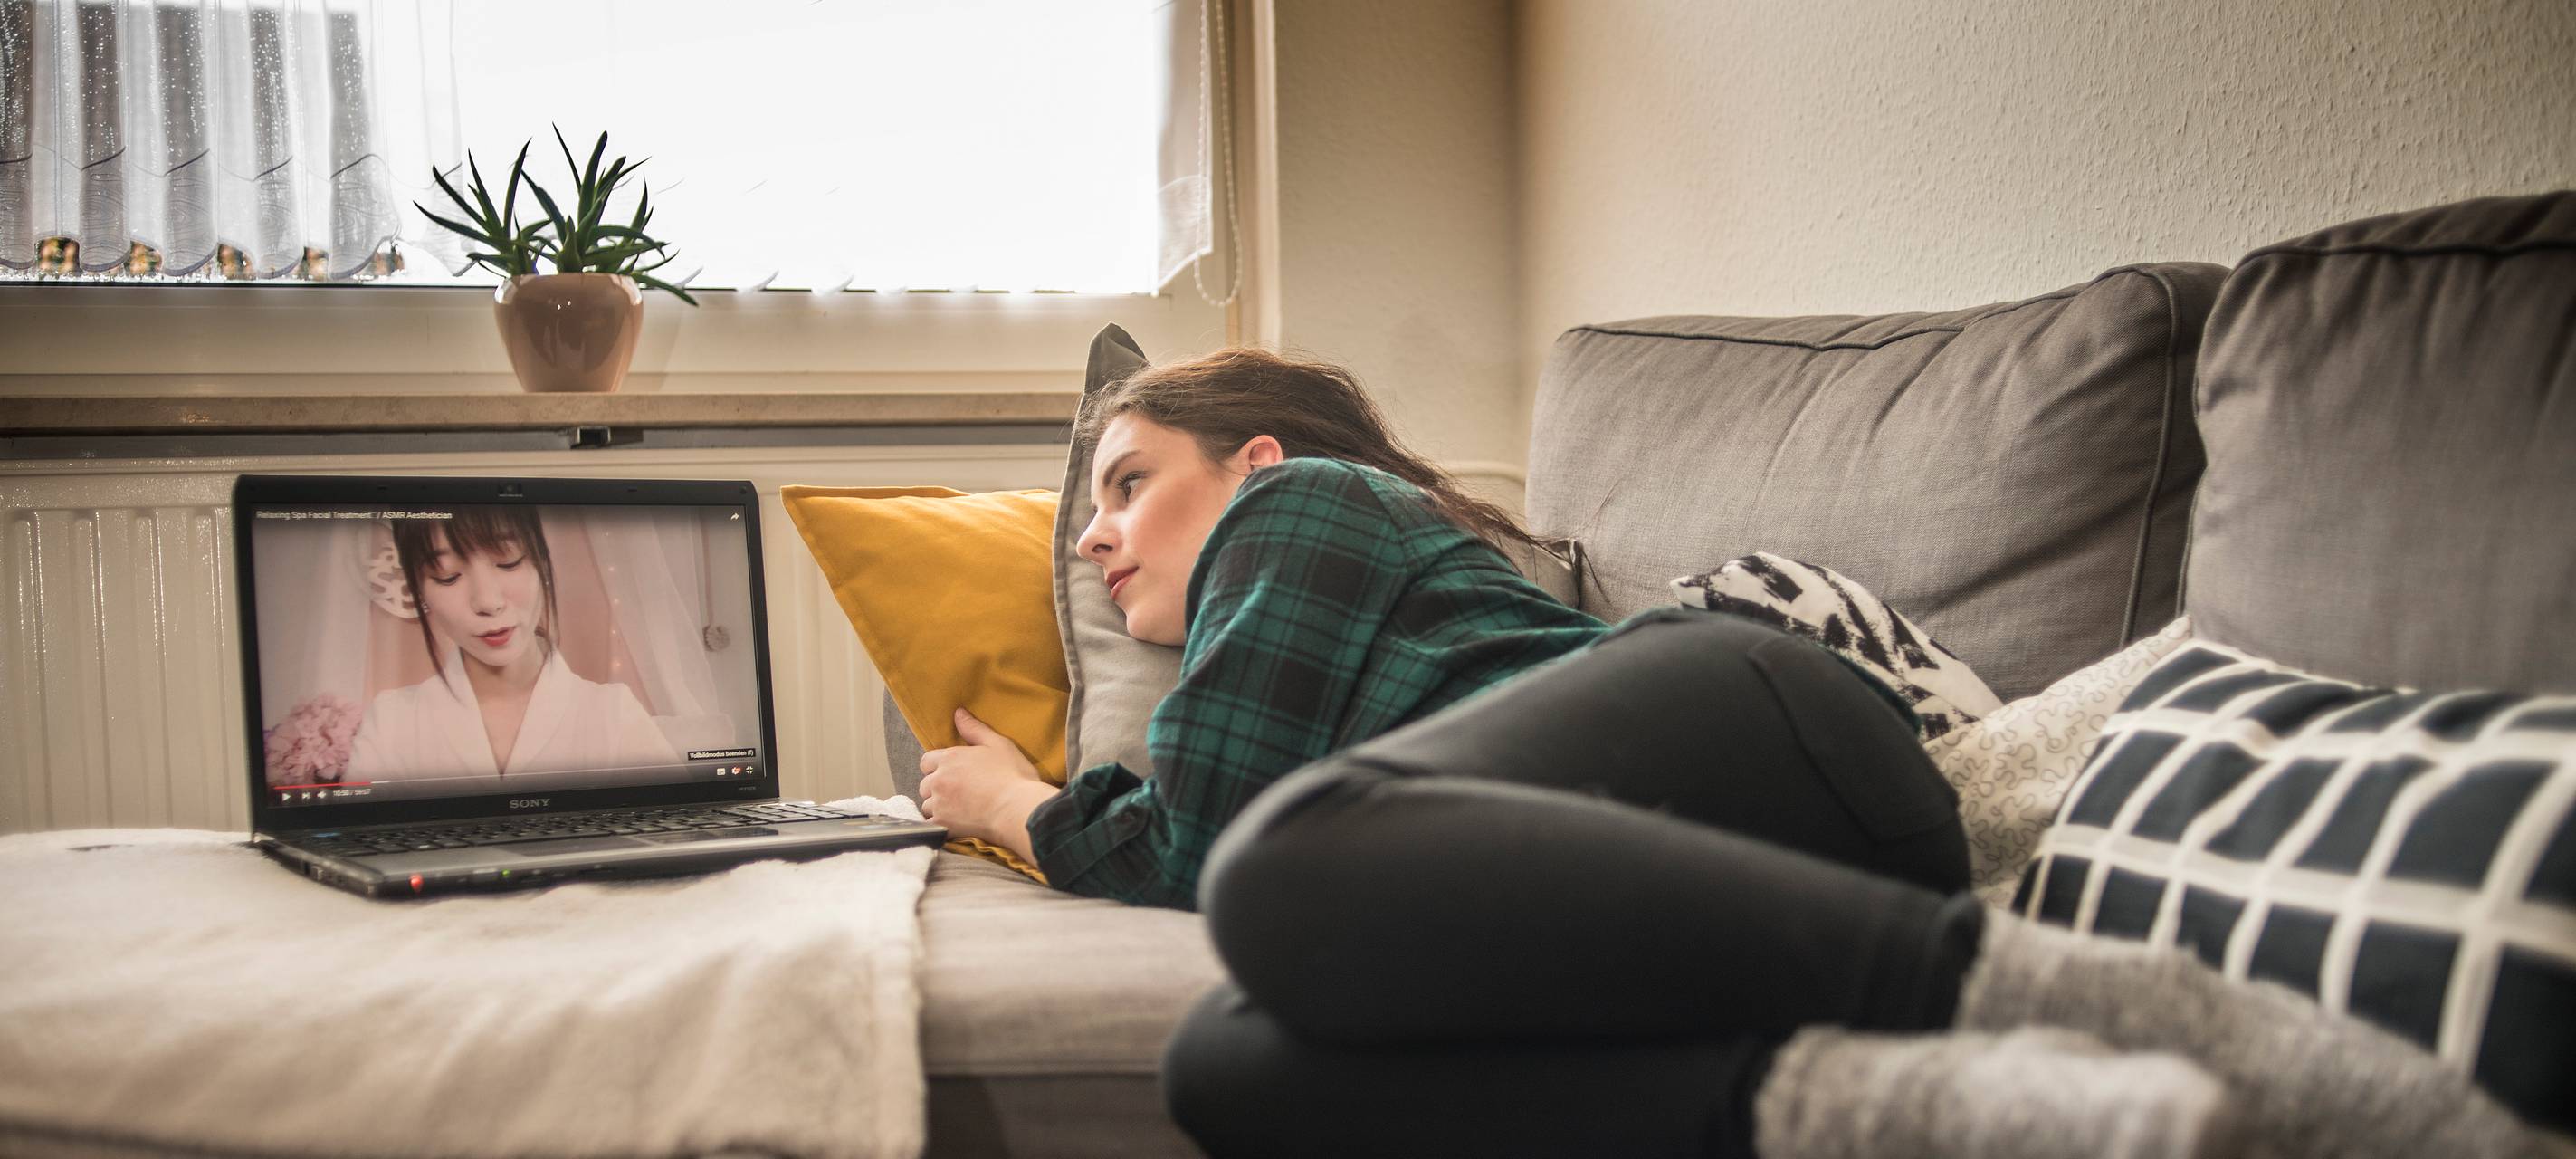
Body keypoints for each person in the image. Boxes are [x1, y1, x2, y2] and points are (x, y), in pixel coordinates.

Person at [915, 349, 2543, 1159]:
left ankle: (2159, 1018)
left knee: (1279, 873)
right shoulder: (1279, 649)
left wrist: (1021, 804)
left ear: (1252, 462)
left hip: (1752, 729)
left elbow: (1197, 839)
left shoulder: (1304, 508)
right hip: (1686, 886)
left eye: (1124, 483)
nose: (1090, 538)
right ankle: (2012, 1113)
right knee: (1224, 1070)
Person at [347, 507, 681, 781]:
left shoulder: (613, 714)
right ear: (419, 590)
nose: (488, 601)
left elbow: (676, 840)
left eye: (507, 562)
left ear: (540, 562)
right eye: (447, 575)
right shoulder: (392, 722)